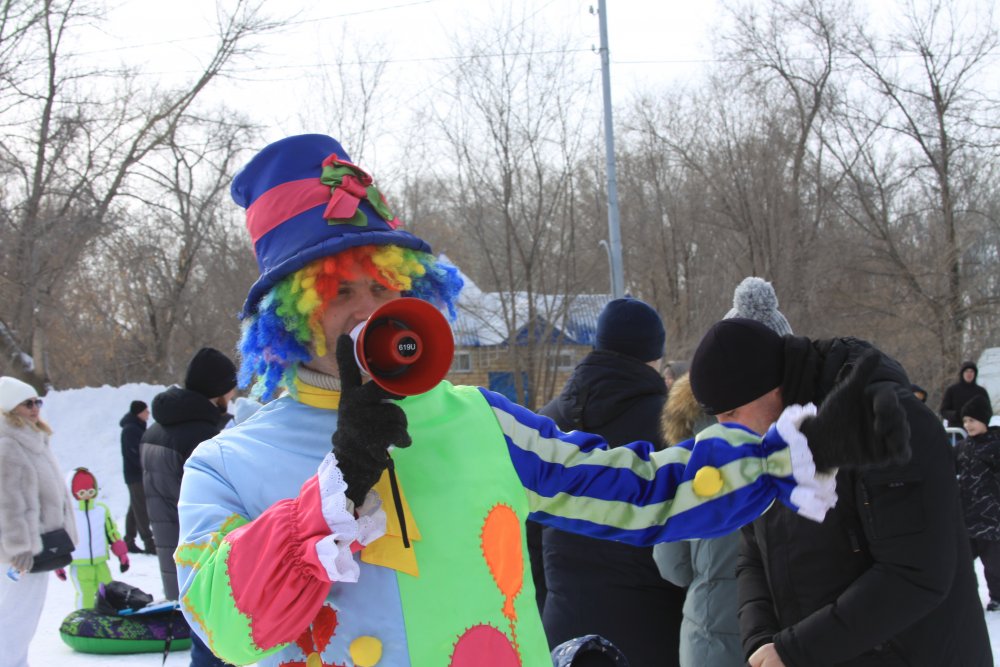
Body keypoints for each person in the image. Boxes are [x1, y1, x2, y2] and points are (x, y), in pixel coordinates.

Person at [172, 134, 896, 666]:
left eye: (382, 284)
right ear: (289, 316)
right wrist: (329, 494)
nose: (369, 309)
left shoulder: (478, 419)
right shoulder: (225, 463)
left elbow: (644, 492)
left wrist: (791, 452)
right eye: (338, 292)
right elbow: (225, 625)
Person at [687, 318, 992, 666]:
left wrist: (796, 650)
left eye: (732, 413)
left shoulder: (882, 418)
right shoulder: (769, 442)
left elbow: (917, 573)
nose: (727, 430)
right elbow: (752, 551)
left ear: (772, 387)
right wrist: (760, 638)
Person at [536, 297, 685, 667]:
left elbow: (526, 535)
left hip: (562, 631)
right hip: (652, 629)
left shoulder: (547, 423)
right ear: (654, 356)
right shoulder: (670, 426)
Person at [654, 276, 792, 667]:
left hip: (710, 630)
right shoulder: (816, 436)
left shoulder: (692, 441)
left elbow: (673, 564)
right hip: (797, 636)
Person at [142, 347, 237, 667]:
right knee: (216, 649)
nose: (233, 395)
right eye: (230, 387)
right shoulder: (203, 436)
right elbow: (217, 503)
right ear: (218, 390)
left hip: (174, 552)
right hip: (203, 556)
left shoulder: (156, 429)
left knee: (204, 642)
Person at [0, 376, 78, 667]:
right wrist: (20, 547)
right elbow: (9, 501)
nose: (35, 408)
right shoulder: (9, 443)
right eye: (27, 403)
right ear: (9, 408)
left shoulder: (31, 438)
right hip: (21, 552)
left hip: (38, 545)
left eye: (37, 402)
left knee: (22, 618)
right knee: (16, 619)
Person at [955, 394, 1000, 612]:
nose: (967, 425)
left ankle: (997, 596)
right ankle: (966, 596)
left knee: (994, 564)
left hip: (992, 518)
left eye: (972, 420)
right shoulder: (963, 447)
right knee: (962, 562)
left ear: (984, 419)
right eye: (965, 421)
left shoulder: (996, 446)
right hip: (968, 516)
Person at [65, 467, 130, 608]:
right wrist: (58, 564)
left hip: (100, 562)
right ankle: (85, 617)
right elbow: (62, 539)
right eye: (82, 493)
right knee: (86, 593)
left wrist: (122, 554)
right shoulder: (69, 514)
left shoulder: (101, 510)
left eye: (90, 492)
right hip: (79, 563)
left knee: (107, 589)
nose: (87, 496)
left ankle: (108, 614)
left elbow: (112, 533)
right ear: (73, 493)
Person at [120, 399, 155, 554]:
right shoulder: (131, 429)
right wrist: (145, 466)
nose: (148, 413)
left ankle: (129, 540)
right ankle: (149, 542)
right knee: (141, 508)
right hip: (136, 475)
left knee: (135, 507)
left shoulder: (136, 427)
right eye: (146, 410)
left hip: (136, 473)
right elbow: (133, 453)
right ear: (139, 412)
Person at [940, 360, 991, 427]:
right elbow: (943, 411)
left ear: (975, 374)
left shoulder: (981, 392)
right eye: (966, 371)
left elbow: (988, 411)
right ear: (962, 373)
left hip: (977, 429)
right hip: (956, 429)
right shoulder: (952, 390)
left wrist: (977, 419)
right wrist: (957, 415)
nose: (969, 374)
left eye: (971, 371)